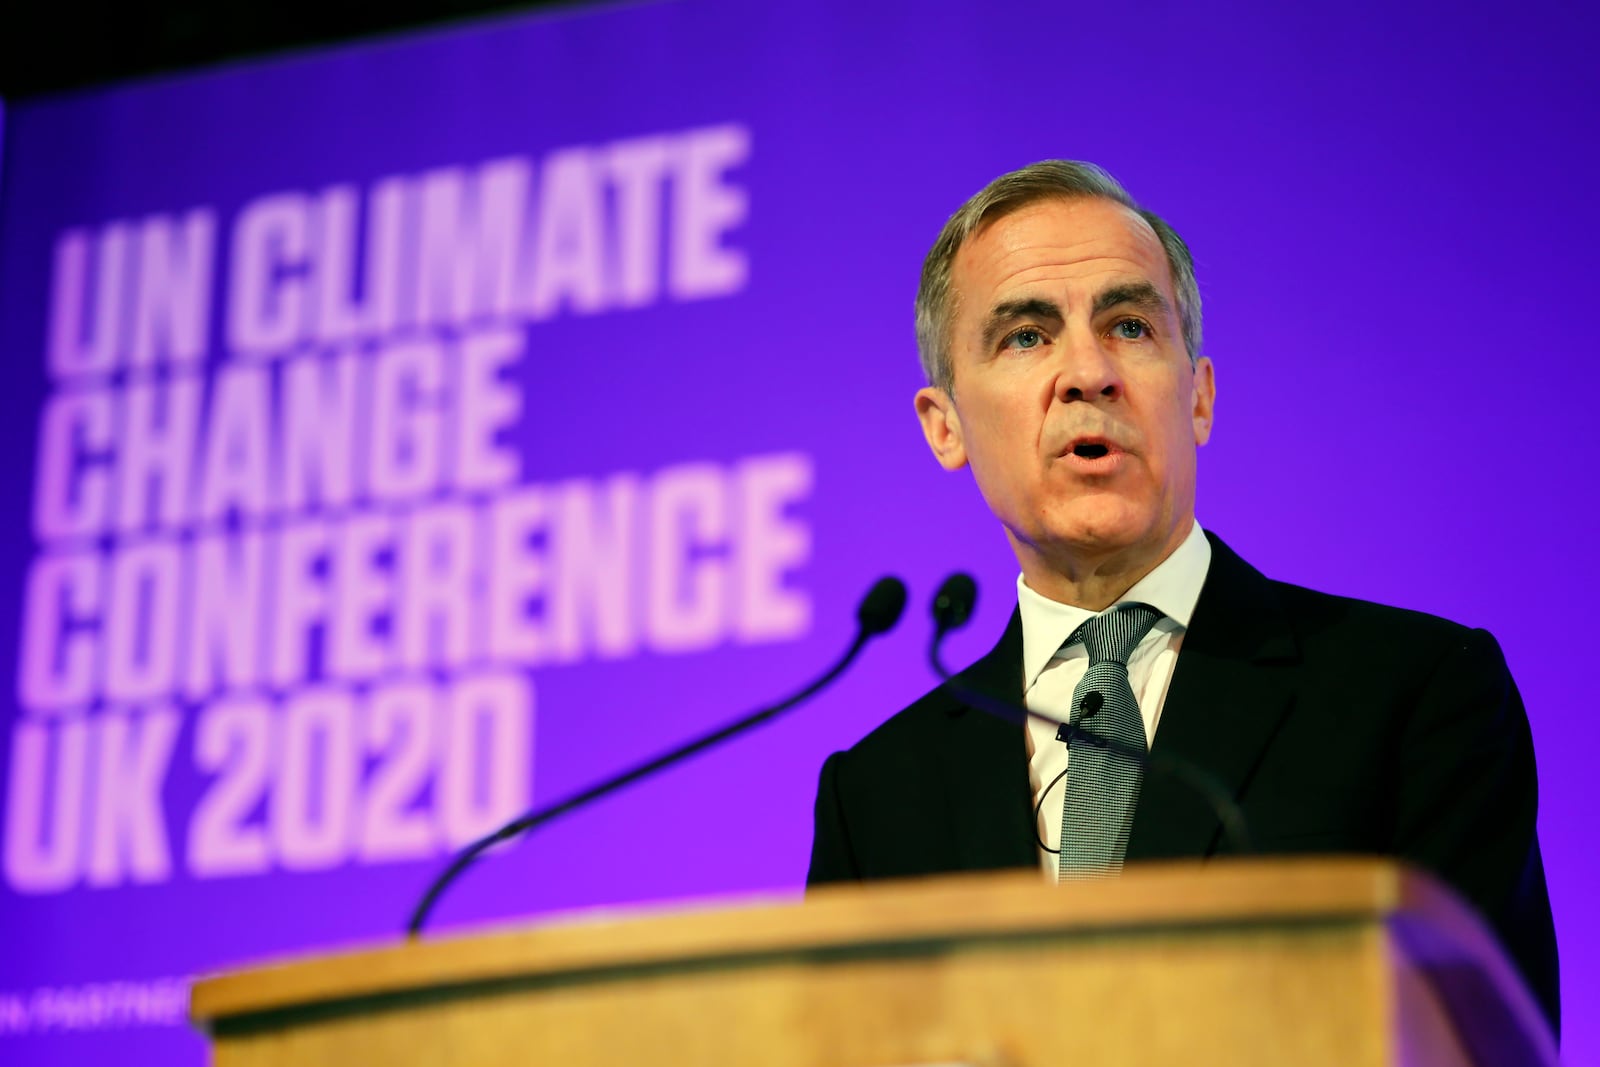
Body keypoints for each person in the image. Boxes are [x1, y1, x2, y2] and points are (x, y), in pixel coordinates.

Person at [805, 160, 1560, 1034]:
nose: (1088, 372)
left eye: (1129, 325)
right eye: (1025, 336)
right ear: (946, 426)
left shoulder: (1416, 692)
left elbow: (1477, 1041)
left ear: (1197, 396)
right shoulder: (877, 795)